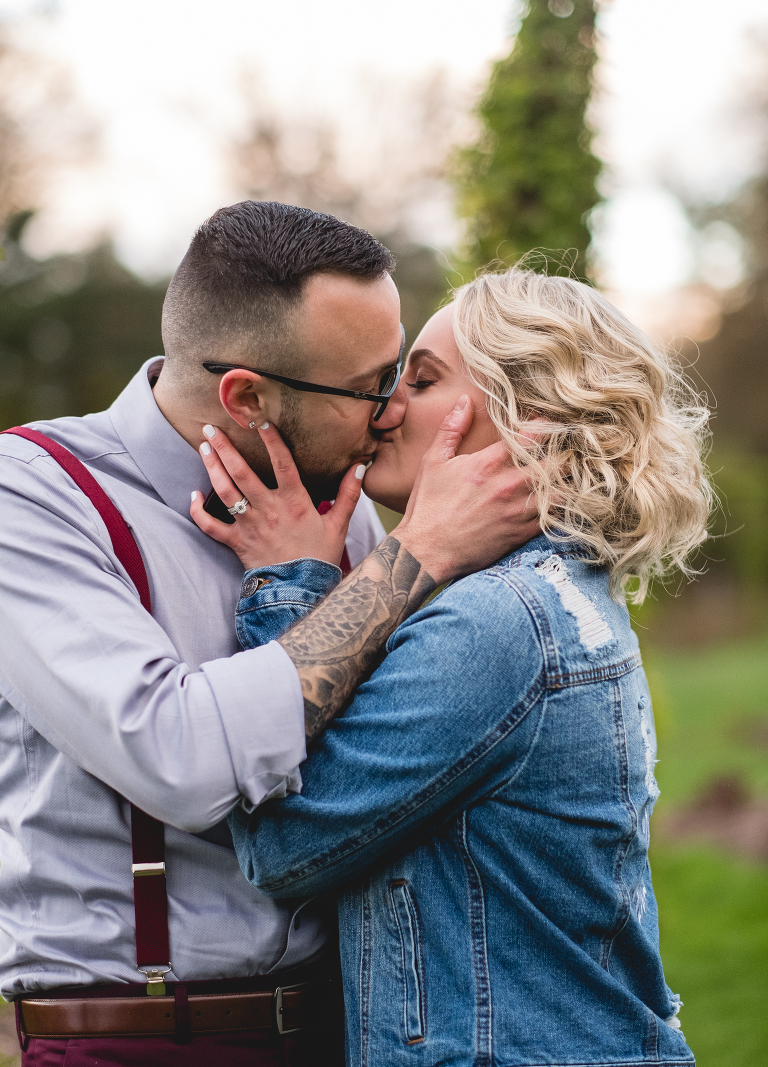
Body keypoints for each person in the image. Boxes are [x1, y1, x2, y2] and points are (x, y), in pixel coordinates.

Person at [0, 202, 541, 1067]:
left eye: (400, 371)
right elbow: (178, 755)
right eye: (371, 386)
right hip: (144, 1041)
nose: (390, 413)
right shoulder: (33, 497)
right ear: (247, 396)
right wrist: (414, 556)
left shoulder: (348, 504)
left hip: (361, 1027)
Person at [197, 268, 710, 1067]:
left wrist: (289, 585)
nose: (387, 408)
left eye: (424, 379)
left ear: (526, 417)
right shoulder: (558, 591)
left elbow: (283, 842)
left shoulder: (497, 622)